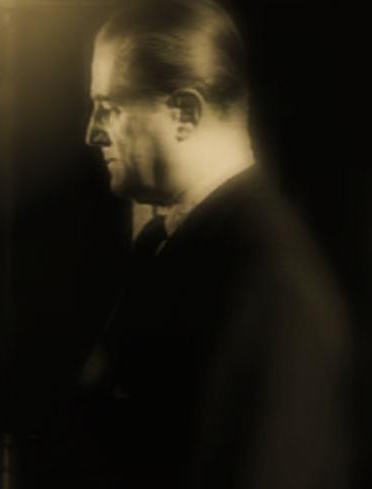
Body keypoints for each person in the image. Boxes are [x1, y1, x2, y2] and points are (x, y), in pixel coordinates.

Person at [62, 1, 352, 488]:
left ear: (184, 114)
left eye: (109, 108)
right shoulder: (165, 244)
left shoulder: (267, 276)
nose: (92, 133)